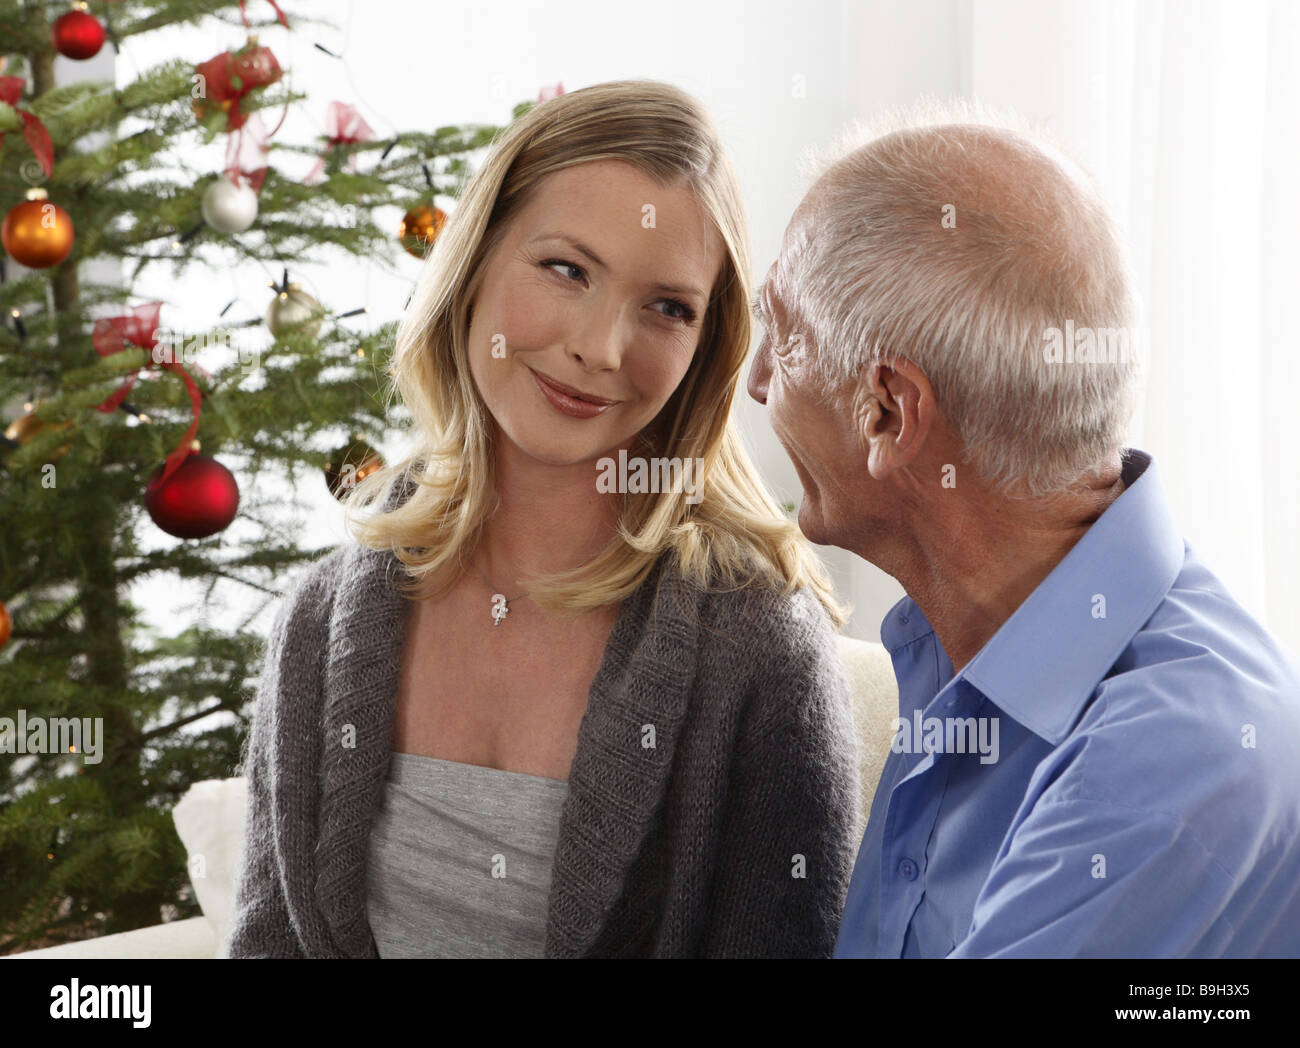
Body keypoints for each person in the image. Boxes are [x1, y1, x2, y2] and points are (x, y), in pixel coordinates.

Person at [228, 79, 861, 959]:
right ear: (477, 257)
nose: (601, 349)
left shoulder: (754, 644)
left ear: (706, 345)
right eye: (567, 269)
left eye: (667, 308)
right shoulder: (323, 618)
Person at [746, 98, 1300, 958]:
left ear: (889, 413)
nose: (753, 383)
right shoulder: (966, 643)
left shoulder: (1166, 764)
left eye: (779, 338)